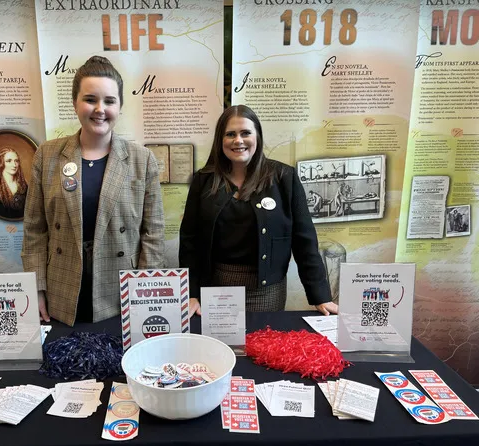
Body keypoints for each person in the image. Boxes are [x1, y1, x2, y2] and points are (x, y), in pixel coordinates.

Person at [22, 56, 165, 326]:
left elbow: (153, 232)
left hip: (122, 289)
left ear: (120, 106)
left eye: (109, 101)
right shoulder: (48, 155)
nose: (100, 109)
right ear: (75, 103)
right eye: (90, 99)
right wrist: (36, 287)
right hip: (61, 289)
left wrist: (147, 291)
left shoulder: (141, 159)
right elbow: (34, 229)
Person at [179, 105, 337, 317]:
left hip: (267, 292)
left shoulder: (284, 178)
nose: (238, 140)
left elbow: (304, 240)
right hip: (216, 291)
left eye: (245, 133)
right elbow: (190, 242)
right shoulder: (203, 180)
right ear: (220, 140)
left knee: (263, 346)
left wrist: (321, 295)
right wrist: (191, 293)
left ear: (258, 137)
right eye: (230, 134)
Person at [0, 147, 27, 220]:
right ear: (1, 163)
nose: (14, 165)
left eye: (16, 161)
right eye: (9, 161)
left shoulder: (24, 185)